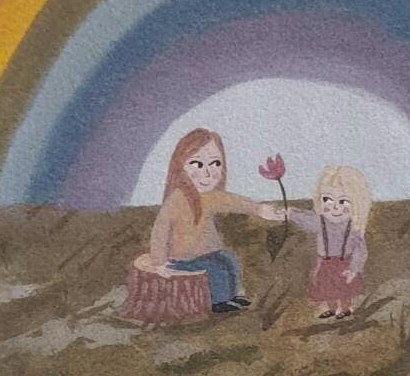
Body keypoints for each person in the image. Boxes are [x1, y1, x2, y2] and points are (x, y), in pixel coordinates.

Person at [148, 127, 283, 313]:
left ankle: (232, 295)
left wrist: (259, 209)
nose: (208, 173)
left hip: (209, 251)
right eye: (197, 164)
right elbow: (160, 230)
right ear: (180, 166)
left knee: (229, 261)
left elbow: (234, 202)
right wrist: (159, 262)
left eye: (215, 163)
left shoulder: (210, 196)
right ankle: (218, 302)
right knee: (215, 269)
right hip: (182, 259)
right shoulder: (177, 199)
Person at [286, 165, 371, 319]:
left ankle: (345, 308)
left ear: (357, 204)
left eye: (343, 201)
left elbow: (360, 250)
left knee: (343, 288)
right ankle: (332, 309)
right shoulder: (320, 221)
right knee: (326, 287)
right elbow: (305, 219)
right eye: (327, 199)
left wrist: (354, 269)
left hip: (344, 263)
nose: (335, 207)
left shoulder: (353, 228)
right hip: (325, 262)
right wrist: (290, 213)